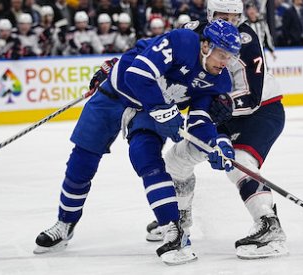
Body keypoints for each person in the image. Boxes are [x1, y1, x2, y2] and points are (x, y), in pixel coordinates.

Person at [33, 19, 241, 265]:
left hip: (148, 111)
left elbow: (199, 119)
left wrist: (211, 145)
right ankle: (65, 223)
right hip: (116, 95)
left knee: (147, 159)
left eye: (230, 57)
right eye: (222, 54)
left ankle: (173, 231)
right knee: (82, 161)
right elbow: (138, 75)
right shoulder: (182, 42)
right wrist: (163, 110)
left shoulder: (219, 80)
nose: (225, 62)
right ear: (205, 46)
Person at [146, 0, 287, 259]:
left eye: (235, 16)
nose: (230, 22)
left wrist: (224, 104)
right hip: (217, 112)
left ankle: (269, 225)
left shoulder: (245, 37)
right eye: (224, 15)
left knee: (238, 161)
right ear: (210, 14)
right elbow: (157, 54)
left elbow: (252, 97)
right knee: (176, 160)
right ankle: (180, 219)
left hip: (261, 111)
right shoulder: (192, 33)